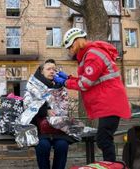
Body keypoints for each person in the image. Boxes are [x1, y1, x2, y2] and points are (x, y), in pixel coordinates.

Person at [54, 28, 131, 162]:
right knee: (104, 138)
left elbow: (85, 84)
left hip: (110, 103)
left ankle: (112, 165)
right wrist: (69, 78)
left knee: (103, 139)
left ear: (77, 42)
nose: (70, 50)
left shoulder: (92, 56)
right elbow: (87, 80)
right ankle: (111, 164)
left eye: (70, 46)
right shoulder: (89, 55)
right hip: (110, 102)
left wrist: (65, 82)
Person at [23, 59, 71, 169]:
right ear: (41, 71)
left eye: (54, 69)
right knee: (43, 146)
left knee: (62, 146)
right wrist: (45, 110)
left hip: (58, 129)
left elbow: (65, 107)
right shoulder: (32, 86)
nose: (52, 71)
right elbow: (27, 105)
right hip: (40, 129)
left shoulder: (60, 88)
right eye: (48, 69)